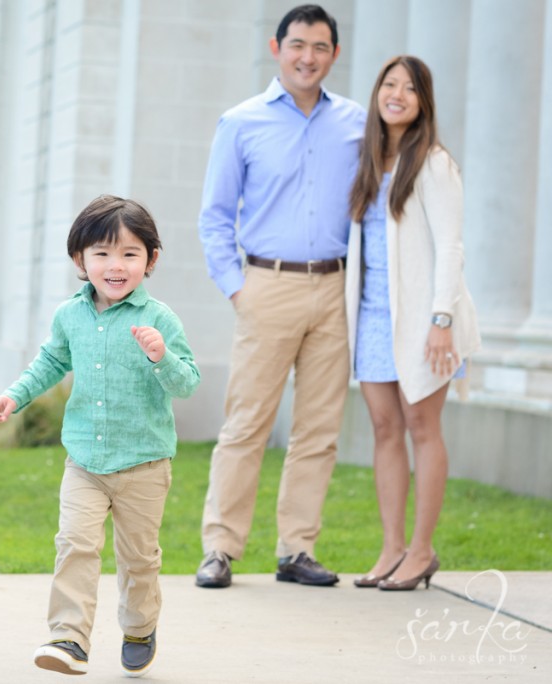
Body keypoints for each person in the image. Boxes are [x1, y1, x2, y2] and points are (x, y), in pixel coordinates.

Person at [0, 194, 200, 677]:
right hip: (84, 461)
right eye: (102, 253)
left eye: (130, 254)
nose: (116, 265)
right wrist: (14, 395)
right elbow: (51, 362)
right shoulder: (70, 315)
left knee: (139, 558)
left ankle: (140, 626)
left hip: (144, 464)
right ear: (80, 260)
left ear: (151, 260)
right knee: (75, 545)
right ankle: (69, 637)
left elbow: (186, 384)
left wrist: (160, 355)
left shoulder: (160, 320)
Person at [194, 4, 366, 589]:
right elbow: (214, 217)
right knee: (247, 424)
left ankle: (297, 550)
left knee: (319, 430)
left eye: (320, 47)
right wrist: (238, 290)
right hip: (266, 285)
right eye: (298, 45)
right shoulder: (240, 122)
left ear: (334, 55)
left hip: (337, 289)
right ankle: (220, 548)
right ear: (278, 47)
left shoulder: (356, 124)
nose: (308, 56)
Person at [346, 55, 480, 591]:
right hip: (375, 316)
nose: (396, 93)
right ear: (378, 92)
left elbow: (451, 246)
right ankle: (392, 549)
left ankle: (422, 551)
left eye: (409, 88)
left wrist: (442, 319)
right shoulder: (368, 162)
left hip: (425, 319)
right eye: (389, 84)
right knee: (384, 430)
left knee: (422, 428)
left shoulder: (434, 163)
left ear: (423, 102)